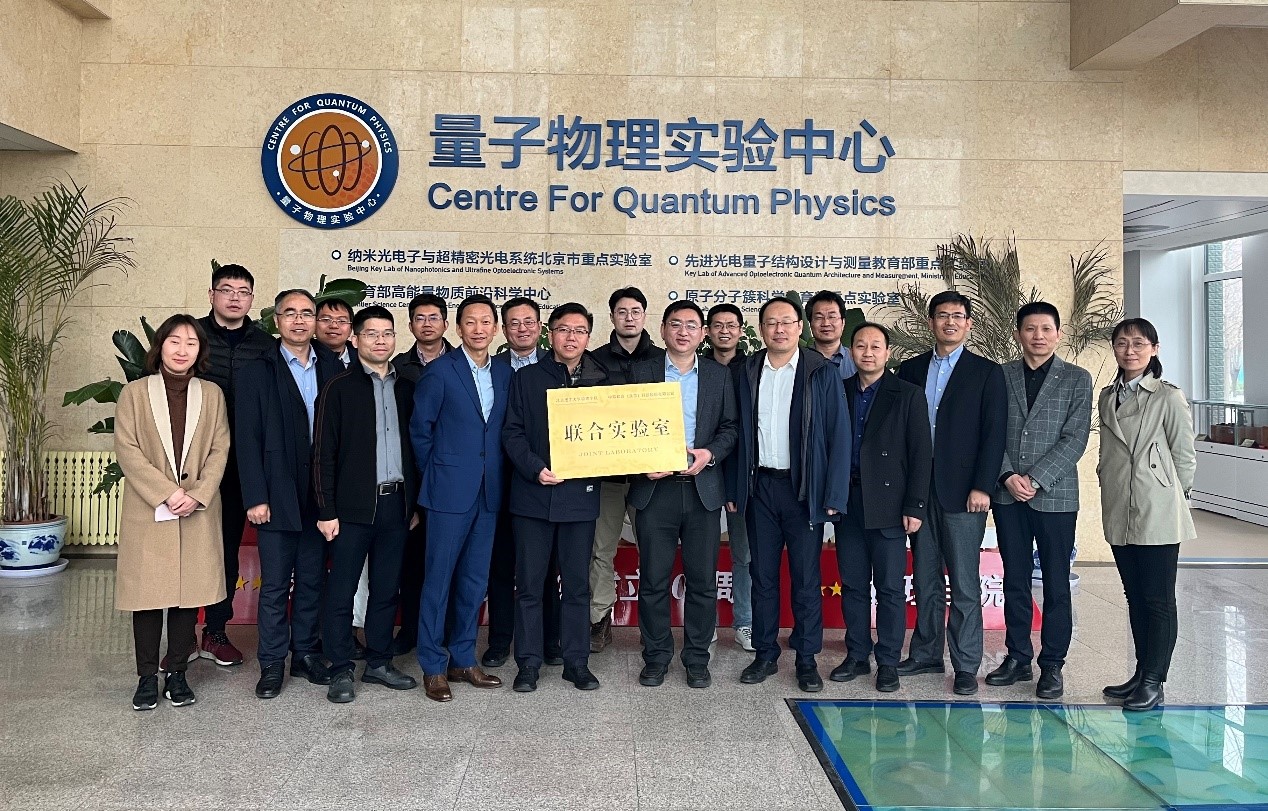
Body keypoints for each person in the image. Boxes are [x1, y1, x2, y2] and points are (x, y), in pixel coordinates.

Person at [730, 296, 850, 692]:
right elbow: (736, 433)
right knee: (762, 575)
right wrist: (735, 487)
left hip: (803, 491)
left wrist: (833, 495)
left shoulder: (820, 371)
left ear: (800, 328)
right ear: (761, 329)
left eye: (786, 322)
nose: (779, 329)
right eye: (771, 322)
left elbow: (838, 434)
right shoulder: (748, 370)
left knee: (805, 578)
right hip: (760, 488)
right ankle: (765, 654)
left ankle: (806, 659)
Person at [114, 315, 230, 710]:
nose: (182, 350)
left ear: (200, 351)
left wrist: (197, 494)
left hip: (197, 509)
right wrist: (167, 492)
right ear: (160, 346)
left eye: (191, 343)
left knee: (188, 596)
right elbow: (128, 450)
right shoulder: (134, 394)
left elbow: (220, 449)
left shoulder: (212, 394)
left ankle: (178, 674)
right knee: (147, 597)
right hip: (149, 509)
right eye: (174, 341)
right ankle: (147, 677)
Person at [896, 290, 1007, 696]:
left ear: (968, 324)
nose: (950, 322)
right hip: (919, 490)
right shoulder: (909, 369)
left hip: (964, 493)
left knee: (963, 582)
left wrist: (983, 486)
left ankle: (965, 663)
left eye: (958, 316)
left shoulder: (986, 372)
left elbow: (994, 434)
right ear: (931, 322)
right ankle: (926, 653)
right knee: (925, 577)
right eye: (942, 315)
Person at [237, 289, 343, 699]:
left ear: (315, 320)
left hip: (319, 495)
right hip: (276, 493)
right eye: (290, 313)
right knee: (276, 586)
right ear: (276, 320)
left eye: (307, 313)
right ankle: (271, 663)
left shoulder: (333, 364)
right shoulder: (256, 370)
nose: (299, 321)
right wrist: (255, 496)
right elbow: (247, 438)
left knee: (313, 581)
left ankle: (306, 654)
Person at [986, 302, 1092, 701]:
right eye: (1030, 328)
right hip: (1008, 494)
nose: (1038, 336)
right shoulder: (1000, 376)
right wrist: (1007, 475)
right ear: (1018, 334)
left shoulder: (1077, 378)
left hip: (1056, 496)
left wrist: (1035, 478)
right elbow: (989, 431)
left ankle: (1052, 665)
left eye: (1046, 328)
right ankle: (1017, 657)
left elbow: (1075, 438)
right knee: (1014, 579)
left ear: (1058, 334)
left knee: (1055, 583)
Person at [313, 306, 420, 703]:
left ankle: (378, 662)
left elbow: (417, 450)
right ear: (355, 339)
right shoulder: (338, 388)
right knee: (341, 591)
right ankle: (341, 667)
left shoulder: (407, 387)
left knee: (386, 589)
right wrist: (326, 510)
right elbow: (322, 454)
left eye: (387, 333)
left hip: (397, 506)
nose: (380, 340)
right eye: (372, 333)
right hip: (351, 509)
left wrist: (414, 505)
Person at [501, 302, 610, 692]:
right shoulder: (527, 378)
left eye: (579, 331)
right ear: (550, 333)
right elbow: (512, 432)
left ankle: (576, 662)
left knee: (577, 586)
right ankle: (528, 664)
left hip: (580, 498)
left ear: (588, 337)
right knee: (530, 586)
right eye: (564, 329)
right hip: (533, 496)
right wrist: (534, 468)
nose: (571, 337)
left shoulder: (602, 382)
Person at [629, 301, 737, 688]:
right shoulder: (640, 372)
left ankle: (696, 658)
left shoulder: (718, 375)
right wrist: (642, 461)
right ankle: (656, 656)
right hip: (654, 491)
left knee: (702, 581)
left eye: (692, 325)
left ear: (703, 333)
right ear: (662, 330)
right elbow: (624, 427)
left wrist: (710, 454)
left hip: (701, 490)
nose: (683, 331)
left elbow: (730, 428)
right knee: (653, 581)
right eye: (675, 324)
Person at [411, 294, 511, 702]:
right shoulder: (440, 371)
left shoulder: (504, 372)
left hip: (489, 491)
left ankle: (464, 657)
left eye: (486, 322)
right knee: (438, 580)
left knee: (474, 580)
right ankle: (433, 665)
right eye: (471, 322)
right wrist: (438, 476)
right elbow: (420, 432)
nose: (479, 329)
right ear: (458, 328)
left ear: (496, 329)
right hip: (448, 492)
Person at [1098, 317, 1196, 711]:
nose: (1130, 350)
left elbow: (1184, 455)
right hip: (1120, 506)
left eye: (1139, 343)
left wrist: (1173, 498)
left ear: (1154, 349)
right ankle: (1141, 673)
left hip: (1157, 508)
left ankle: (1155, 680)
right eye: (1122, 343)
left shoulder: (1168, 397)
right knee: (1135, 595)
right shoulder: (1108, 396)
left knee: (1158, 599)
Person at [832, 322, 931, 693]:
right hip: (848, 502)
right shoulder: (839, 390)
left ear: (888, 353)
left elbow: (920, 454)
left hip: (889, 504)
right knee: (853, 585)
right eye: (860, 345)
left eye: (876, 346)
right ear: (851, 352)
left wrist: (915, 506)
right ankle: (857, 655)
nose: (868, 352)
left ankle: (888, 661)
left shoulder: (907, 394)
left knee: (890, 588)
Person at [196, 263, 275, 668]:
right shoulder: (191, 336)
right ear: (211, 295)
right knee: (190, 548)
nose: (234, 298)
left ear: (251, 300)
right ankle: (179, 636)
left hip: (244, 464)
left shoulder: (265, 345)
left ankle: (215, 630)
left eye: (243, 292)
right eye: (226, 290)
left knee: (226, 547)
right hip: (195, 463)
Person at [483, 297, 561, 669]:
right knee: (501, 565)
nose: (522, 329)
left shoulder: (556, 367)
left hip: (544, 481)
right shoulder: (492, 369)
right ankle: (500, 640)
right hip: (501, 479)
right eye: (514, 323)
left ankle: (550, 639)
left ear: (540, 327)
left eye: (529, 321)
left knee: (544, 568)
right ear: (503, 329)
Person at [587, 286, 664, 651]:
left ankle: (653, 625)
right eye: (622, 312)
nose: (629, 317)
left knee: (654, 550)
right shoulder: (594, 361)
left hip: (652, 479)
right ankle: (599, 619)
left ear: (644, 316)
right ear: (612, 317)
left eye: (635, 311)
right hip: (608, 477)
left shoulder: (664, 359)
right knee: (601, 550)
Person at [388, 292, 453, 656]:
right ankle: (411, 629)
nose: (427, 324)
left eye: (434, 317)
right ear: (410, 324)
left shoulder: (464, 364)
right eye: (420, 318)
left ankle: (446, 632)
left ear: (446, 323)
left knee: (450, 562)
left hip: (455, 478)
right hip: (412, 476)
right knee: (412, 562)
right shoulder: (397, 368)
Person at [705, 303, 753, 652]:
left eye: (731, 325)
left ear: (741, 331)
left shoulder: (752, 369)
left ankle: (745, 623)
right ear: (707, 331)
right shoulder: (695, 367)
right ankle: (704, 624)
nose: (724, 331)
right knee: (702, 554)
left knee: (744, 554)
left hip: (740, 473)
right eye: (718, 325)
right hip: (700, 471)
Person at [806, 290, 858, 381]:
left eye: (832, 317)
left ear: (843, 323)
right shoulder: (799, 360)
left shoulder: (856, 360)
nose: (826, 323)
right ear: (810, 323)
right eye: (819, 318)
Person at [314, 298, 357, 368]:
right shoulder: (302, 355)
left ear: (351, 328)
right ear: (314, 324)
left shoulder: (363, 359)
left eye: (342, 321)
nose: (334, 326)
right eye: (326, 319)